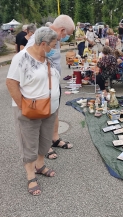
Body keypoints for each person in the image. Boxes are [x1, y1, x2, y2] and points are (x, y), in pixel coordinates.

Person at [6, 27, 60, 196]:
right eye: (52, 45)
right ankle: (30, 175)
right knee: (29, 143)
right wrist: (23, 107)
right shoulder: (21, 58)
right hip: (29, 109)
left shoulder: (46, 58)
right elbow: (11, 83)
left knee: (45, 140)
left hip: (49, 109)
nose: (54, 48)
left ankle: (40, 165)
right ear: (43, 44)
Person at [25, 15, 75, 160]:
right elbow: (27, 59)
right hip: (42, 85)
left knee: (54, 112)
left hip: (53, 84)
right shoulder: (41, 36)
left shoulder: (55, 39)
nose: (67, 37)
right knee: (43, 116)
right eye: (68, 34)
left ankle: (54, 138)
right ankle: (45, 146)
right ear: (62, 30)